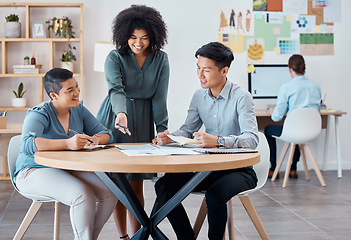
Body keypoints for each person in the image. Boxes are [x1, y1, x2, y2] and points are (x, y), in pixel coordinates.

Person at [152, 42, 259, 240]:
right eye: (198, 68)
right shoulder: (199, 96)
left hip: (239, 170)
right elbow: (187, 129)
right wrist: (169, 138)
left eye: (207, 70)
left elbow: (252, 139)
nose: (200, 75)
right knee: (163, 186)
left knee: (214, 194)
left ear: (224, 70)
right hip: (208, 169)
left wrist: (218, 141)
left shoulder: (241, 97)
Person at [14, 68, 117, 240]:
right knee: (82, 194)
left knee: (111, 193)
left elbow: (107, 133)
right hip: (32, 171)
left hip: (65, 168)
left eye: (76, 87)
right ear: (54, 96)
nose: (77, 92)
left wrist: (96, 139)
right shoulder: (39, 113)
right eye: (70, 90)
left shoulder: (78, 108)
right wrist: (68, 143)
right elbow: (26, 144)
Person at [96, 4, 169, 240]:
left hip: (144, 118)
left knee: (136, 182)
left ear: (154, 37)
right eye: (133, 37)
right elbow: (115, 90)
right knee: (118, 182)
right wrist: (121, 112)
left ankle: (139, 236)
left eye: (145, 38)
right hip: (115, 117)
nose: (139, 43)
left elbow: (159, 97)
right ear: (124, 35)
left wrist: (163, 129)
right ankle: (123, 236)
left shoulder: (161, 59)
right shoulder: (114, 57)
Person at [265, 54, 321, 179]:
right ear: (304, 68)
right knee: (298, 132)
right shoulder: (316, 86)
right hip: (311, 130)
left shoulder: (287, 87)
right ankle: (293, 168)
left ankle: (273, 169)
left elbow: (277, 117)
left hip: (293, 130)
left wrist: (273, 111)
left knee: (269, 129)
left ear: (290, 69)